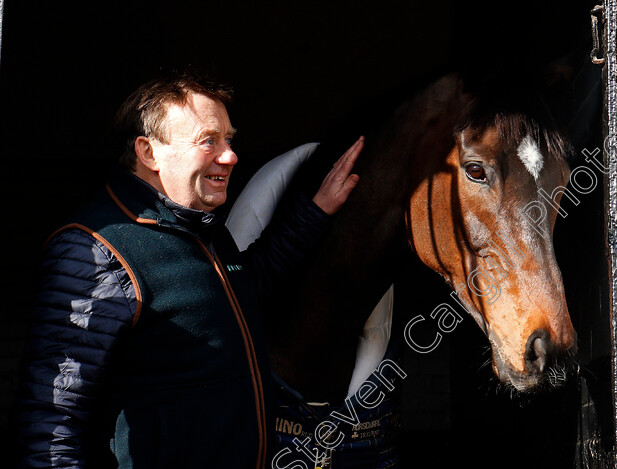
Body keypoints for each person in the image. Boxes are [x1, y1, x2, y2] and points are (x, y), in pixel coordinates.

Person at [13, 71, 363, 468]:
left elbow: (247, 291)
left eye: (229, 139)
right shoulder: (94, 248)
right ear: (149, 153)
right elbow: (51, 425)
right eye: (208, 140)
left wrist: (314, 212)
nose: (230, 155)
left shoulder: (200, 228)